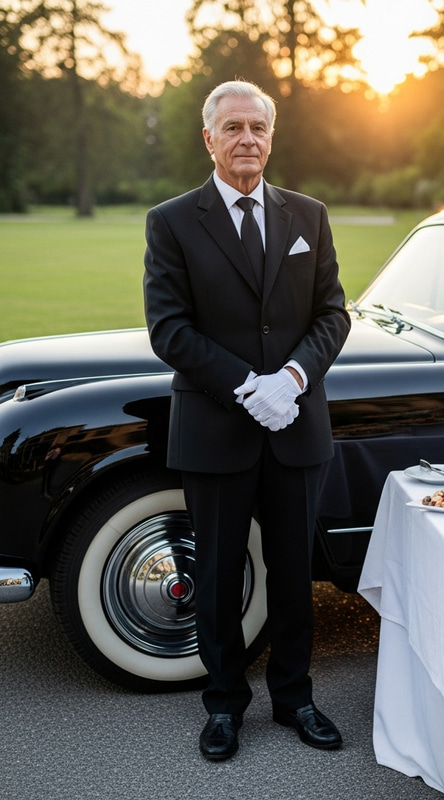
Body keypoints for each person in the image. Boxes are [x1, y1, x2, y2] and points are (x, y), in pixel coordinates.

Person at [143, 79, 351, 761]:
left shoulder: (308, 215)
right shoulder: (171, 222)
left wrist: (290, 379)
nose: (247, 140)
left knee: (295, 573)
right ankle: (225, 705)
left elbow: (332, 316)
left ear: (271, 136)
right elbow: (168, 330)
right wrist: (246, 385)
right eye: (232, 128)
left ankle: (295, 700)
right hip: (216, 429)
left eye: (257, 128)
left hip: (297, 426)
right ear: (208, 138)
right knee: (218, 575)